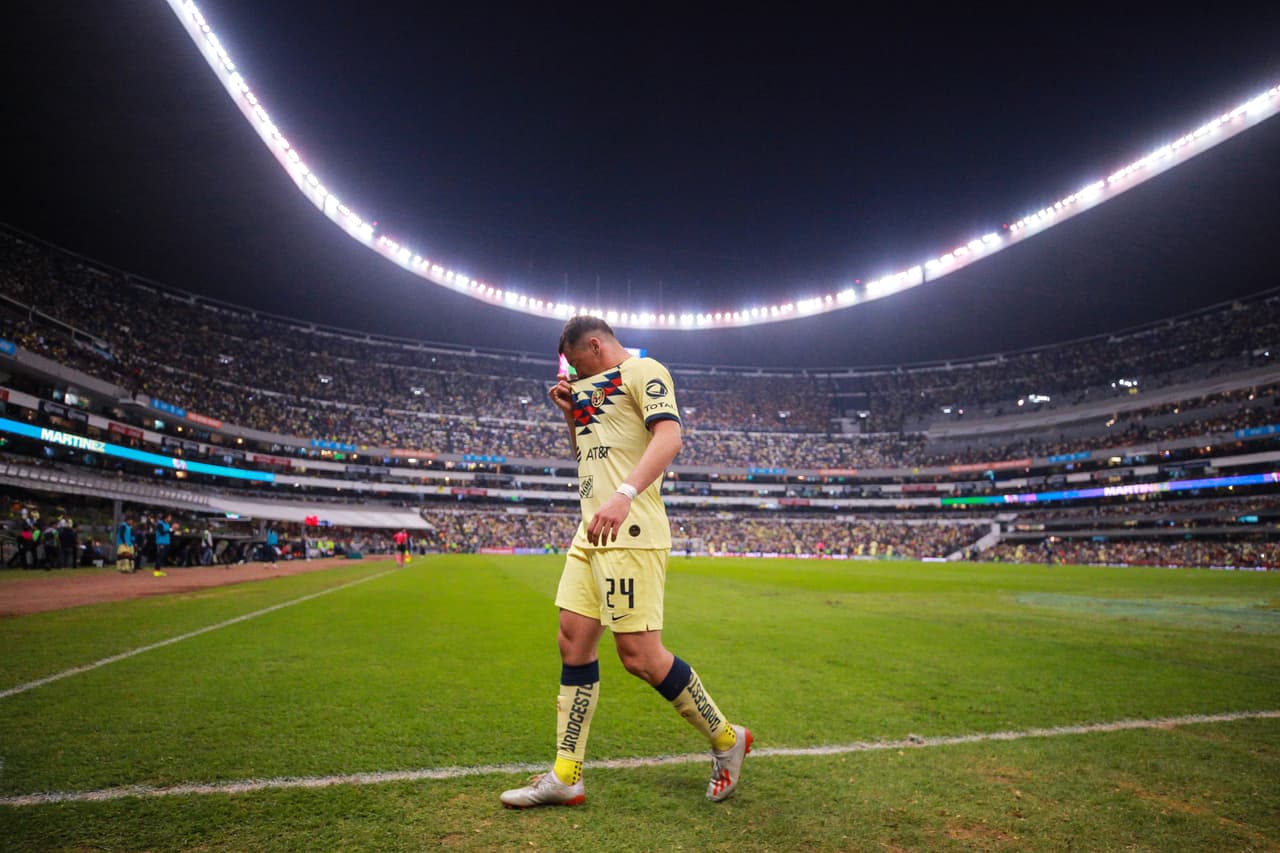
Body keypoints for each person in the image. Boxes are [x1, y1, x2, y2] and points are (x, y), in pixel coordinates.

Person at [500, 316, 751, 809]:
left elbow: (669, 437)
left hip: (629, 528)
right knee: (573, 641)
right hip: (590, 530)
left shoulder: (644, 371)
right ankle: (567, 775)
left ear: (595, 344)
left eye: (576, 361)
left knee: (639, 657)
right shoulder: (587, 389)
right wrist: (571, 414)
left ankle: (727, 739)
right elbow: (587, 454)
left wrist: (624, 495)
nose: (573, 371)